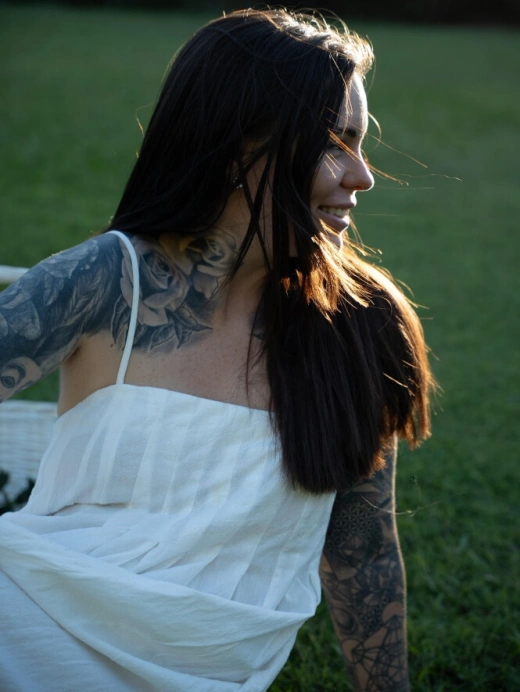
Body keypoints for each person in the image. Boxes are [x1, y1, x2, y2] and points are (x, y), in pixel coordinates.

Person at [0, 8, 434, 691]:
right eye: (335, 144)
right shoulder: (110, 280)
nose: (362, 176)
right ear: (238, 145)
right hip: (25, 634)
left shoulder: (362, 323)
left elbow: (363, 549)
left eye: (360, 144)